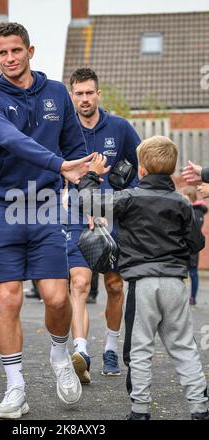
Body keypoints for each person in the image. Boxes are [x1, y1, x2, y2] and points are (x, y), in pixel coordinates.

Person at [0, 22, 94, 419]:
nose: (9, 58)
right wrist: (60, 164)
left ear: (30, 50)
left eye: (16, 51)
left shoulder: (58, 93)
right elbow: (12, 141)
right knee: (6, 297)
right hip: (0, 205)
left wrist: (90, 177)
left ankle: (60, 356)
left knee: (59, 297)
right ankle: (16, 387)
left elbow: (76, 149)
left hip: (45, 207)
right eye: (2, 53)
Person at [78, 137, 209, 420]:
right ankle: (199, 407)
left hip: (142, 284)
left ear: (142, 170)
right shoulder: (182, 203)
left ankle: (140, 410)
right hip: (175, 284)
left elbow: (87, 202)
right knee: (184, 345)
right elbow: (196, 243)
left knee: (140, 348)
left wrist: (92, 175)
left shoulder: (129, 198)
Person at [67, 67, 140, 383]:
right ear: (72, 97)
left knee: (113, 286)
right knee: (79, 284)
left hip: (114, 219)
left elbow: (140, 168)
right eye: (79, 93)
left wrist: (124, 200)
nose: (84, 99)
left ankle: (111, 346)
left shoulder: (120, 128)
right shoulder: (64, 131)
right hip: (77, 218)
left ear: (98, 94)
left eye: (89, 92)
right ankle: (81, 351)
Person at [181, 186, 208, 305]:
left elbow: (193, 230)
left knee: (192, 273)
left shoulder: (197, 211)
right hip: (182, 247)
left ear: (191, 198)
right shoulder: (185, 209)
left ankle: (192, 297)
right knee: (181, 273)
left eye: (185, 198)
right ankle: (181, 297)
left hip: (191, 248)